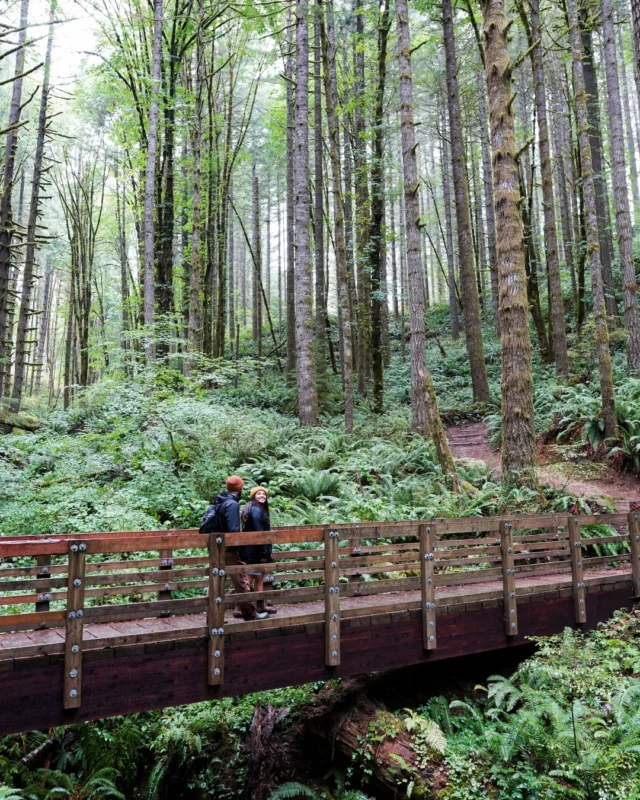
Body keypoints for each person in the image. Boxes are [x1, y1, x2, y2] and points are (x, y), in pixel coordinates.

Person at [208, 475, 268, 621]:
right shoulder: (232, 505)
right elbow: (233, 530)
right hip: (228, 549)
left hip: (215, 547)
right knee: (241, 581)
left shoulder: (218, 501)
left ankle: (212, 617)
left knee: (215, 581)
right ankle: (250, 614)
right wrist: (240, 550)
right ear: (240, 488)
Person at [239, 486, 277, 616]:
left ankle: (260, 605)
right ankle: (239, 607)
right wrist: (264, 554)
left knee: (260, 577)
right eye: (259, 494)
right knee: (249, 578)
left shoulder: (258, 510)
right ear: (253, 496)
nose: (262, 496)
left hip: (257, 550)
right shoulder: (255, 511)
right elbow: (259, 534)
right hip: (255, 551)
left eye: (264, 494)